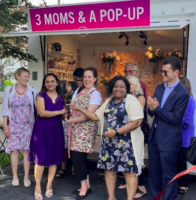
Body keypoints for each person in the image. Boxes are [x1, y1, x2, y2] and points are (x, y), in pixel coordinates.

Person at [70, 76, 144, 200]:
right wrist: (80, 109)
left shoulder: (131, 100)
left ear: (126, 88)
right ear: (111, 88)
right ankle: (111, 197)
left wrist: (116, 132)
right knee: (110, 171)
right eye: (115, 86)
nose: (118, 89)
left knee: (129, 173)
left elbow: (137, 122)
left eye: (122, 87)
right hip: (109, 143)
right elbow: (95, 116)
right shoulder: (109, 101)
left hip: (127, 143)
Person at [147, 56, 189, 200]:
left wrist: (156, 109)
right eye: (162, 71)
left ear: (176, 72)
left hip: (169, 139)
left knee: (168, 173)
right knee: (154, 172)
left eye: (166, 72)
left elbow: (176, 119)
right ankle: (155, 197)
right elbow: (152, 112)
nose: (162, 74)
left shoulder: (183, 93)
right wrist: (151, 108)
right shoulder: (159, 88)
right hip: (154, 137)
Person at [29, 73, 67, 200]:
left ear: (57, 83)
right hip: (42, 129)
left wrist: (66, 115)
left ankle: (49, 184)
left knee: (54, 157)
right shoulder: (41, 96)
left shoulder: (61, 97)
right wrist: (60, 112)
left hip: (56, 130)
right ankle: (38, 186)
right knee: (40, 159)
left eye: (52, 81)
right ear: (44, 84)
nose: (50, 83)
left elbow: (64, 115)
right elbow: (42, 113)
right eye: (47, 82)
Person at [66, 67, 102, 200]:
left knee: (78, 159)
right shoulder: (80, 91)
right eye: (85, 77)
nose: (87, 79)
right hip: (76, 129)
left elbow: (90, 115)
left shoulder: (95, 94)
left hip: (85, 130)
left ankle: (84, 187)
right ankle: (86, 185)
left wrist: (73, 120)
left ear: (94, 79)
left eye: (89, 77)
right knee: (80, 159)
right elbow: (73, 107)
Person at [2, 67, 36, 187]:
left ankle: (26, 177)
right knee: (15, 150)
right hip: (14, 124)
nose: (27, 79)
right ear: (17, 76)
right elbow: (6, 108)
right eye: (25, 76)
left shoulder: (32, 90)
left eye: (28, 76)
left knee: (27, 151)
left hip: (28, 125)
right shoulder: (9, 90)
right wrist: (6, 126)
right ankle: (15, 176)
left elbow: (36, 108)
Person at [56, 67, 84, 178]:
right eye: (76, 80)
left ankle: (74, 167)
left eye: (80, 80)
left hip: (79, 120)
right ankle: (63, 167)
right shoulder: (68, 85)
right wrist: (67, 92)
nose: (78, 82)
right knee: (64, 144)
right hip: (66, 118)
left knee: (74, 145)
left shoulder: (86, 88)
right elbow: (61, 101)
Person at [177, 77, 195, 194]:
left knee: (181, 161)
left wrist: (173, 117)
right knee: (178, 160)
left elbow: (187, 120)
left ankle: (183, 183)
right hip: (179, 135)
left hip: (185, 136)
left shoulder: (189, 99)